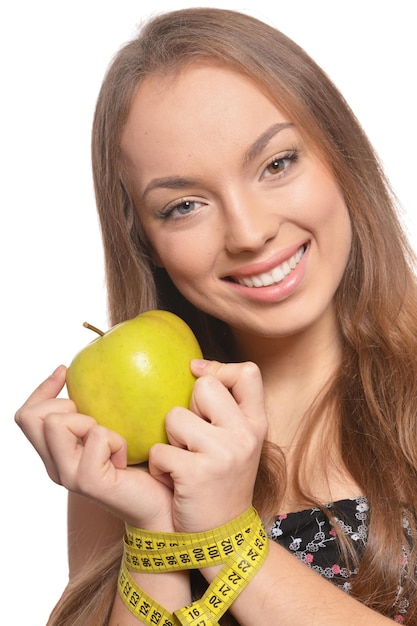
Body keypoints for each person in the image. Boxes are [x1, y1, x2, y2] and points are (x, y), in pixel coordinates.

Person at [14, 7, 417, 625]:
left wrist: (230, 541)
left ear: (340, 157)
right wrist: (155, 531)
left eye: (277, 164)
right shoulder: (128, 448)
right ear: (144, 240)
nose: (251, 233)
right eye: (184, 205)